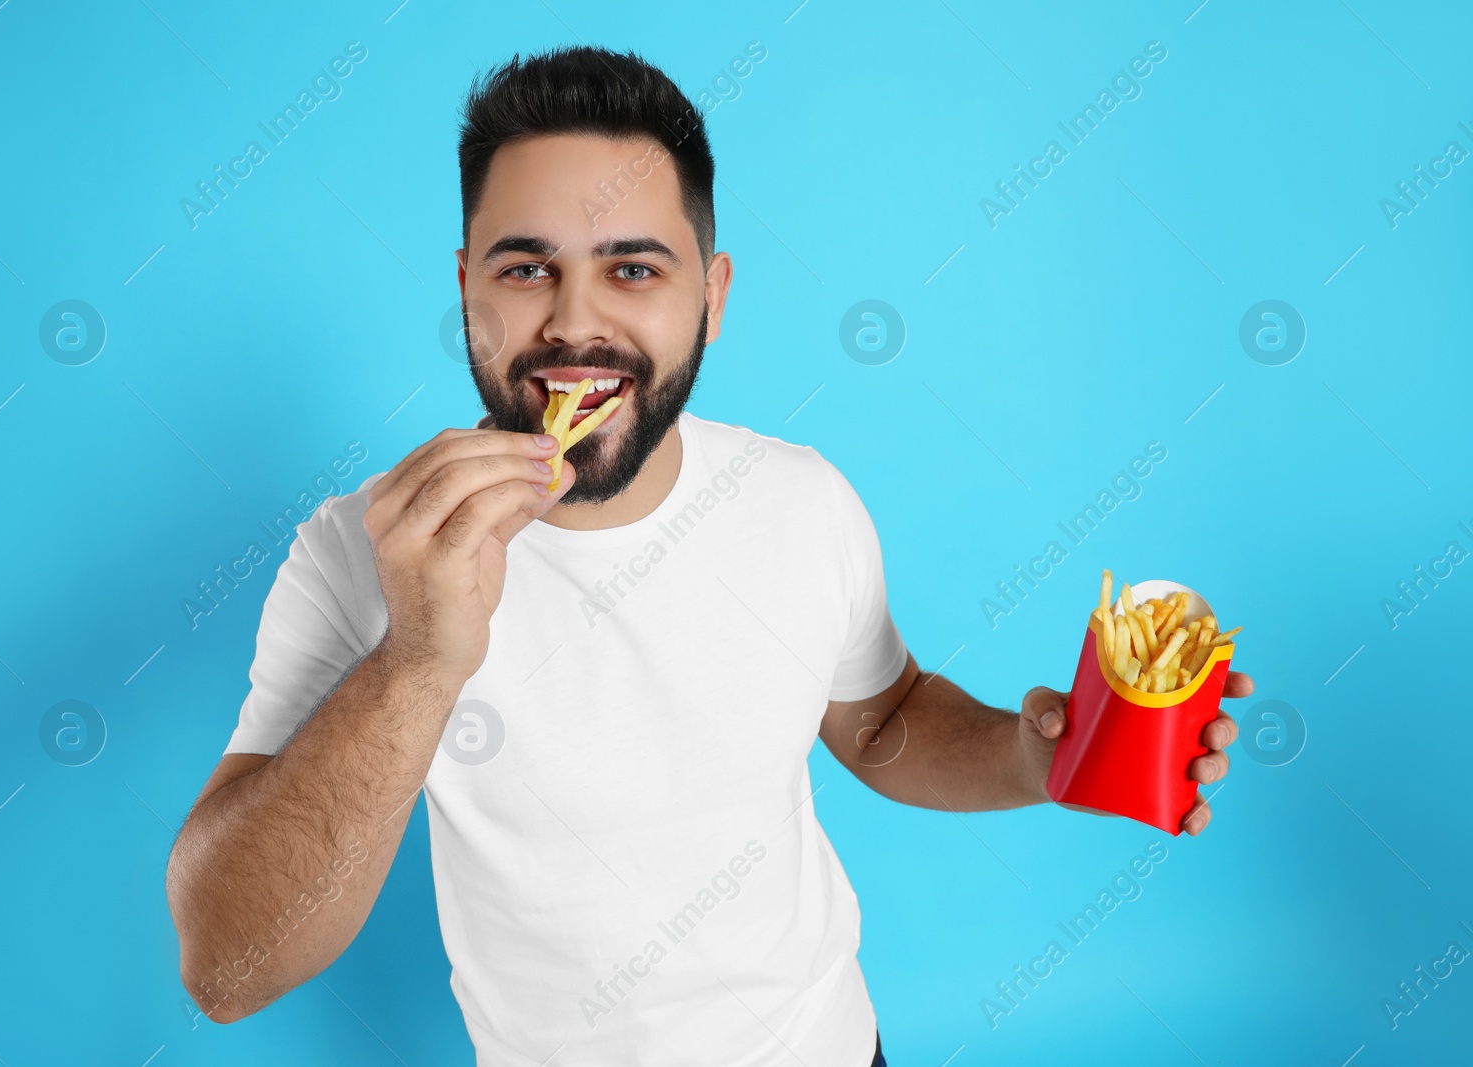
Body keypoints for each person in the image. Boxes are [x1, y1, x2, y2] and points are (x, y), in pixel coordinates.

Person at [165, 45, 1250, 1066]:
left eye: (632, 268)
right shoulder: (363, 550)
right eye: (526, 267)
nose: (574, 323)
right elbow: (227, 967)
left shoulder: (799, 498)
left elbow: (878, 718)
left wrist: (1036, 756)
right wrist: (418, 659)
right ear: (466, 293)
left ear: (712, 297)